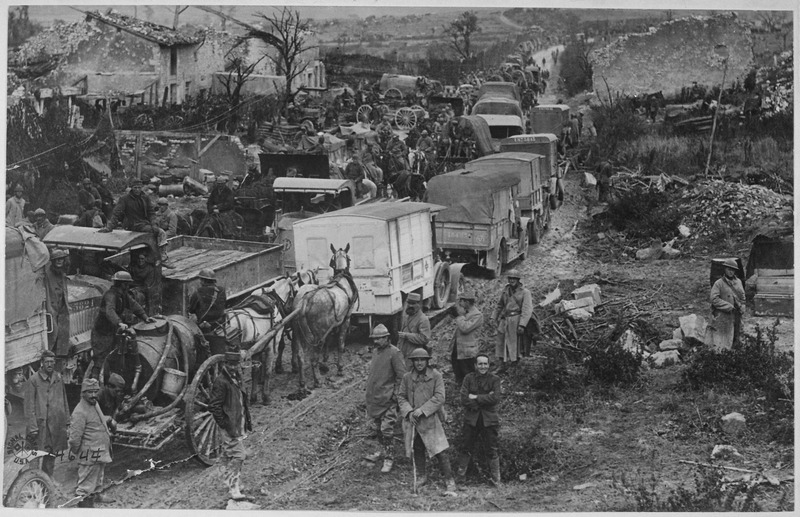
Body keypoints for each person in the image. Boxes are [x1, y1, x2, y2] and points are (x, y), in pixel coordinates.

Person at [398, 348, 456, 492]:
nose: (419, 363)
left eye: (422, 360)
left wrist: (422, 410)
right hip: (414, 421)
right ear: (412, 362)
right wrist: (409, 412)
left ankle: (449, 480)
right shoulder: (407, 378)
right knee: (418, 448)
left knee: (440, 450)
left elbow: (439, 397)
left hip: (430, 419)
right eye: (416, 360)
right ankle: (422, 477)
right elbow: (401, 397)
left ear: (427, 361)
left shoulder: (436, 376)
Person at [90, 271, 153, 380]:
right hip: (102, 334)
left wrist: (145, 317)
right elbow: (110, 310)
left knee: (116, 357)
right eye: (126, 284)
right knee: (100, 360)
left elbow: (134, 305)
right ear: (121, 284)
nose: (128, 286)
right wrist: (119, 322)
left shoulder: (123, 295)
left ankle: (110, 382)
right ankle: (94, 385)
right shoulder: (110, 295)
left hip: (113, 331)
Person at [209, 348, 253, 501]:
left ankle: (229, 481)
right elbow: (214, 405)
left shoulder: (236, 378)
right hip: (229, 426)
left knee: (228, 455)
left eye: (236, 364)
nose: (233, 367)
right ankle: (234, 489)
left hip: (237, 424)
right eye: (230, 364)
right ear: (225, 364)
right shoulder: (221, 382)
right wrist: (224, 424)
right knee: (239, 455)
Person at [100, 178, 173, 268]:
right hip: (133, 225)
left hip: (144, 223)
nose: (137, 190)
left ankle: (156, 258)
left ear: (141, 187)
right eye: (135, 188)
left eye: (139, 187)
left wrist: (154, 223)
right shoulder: (125, 199)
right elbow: (116, 213)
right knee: (161, 233)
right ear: (131, 188)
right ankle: (163, 258)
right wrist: (109, 228)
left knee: (157, 232)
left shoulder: (145, 197)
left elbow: (151, 212)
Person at [364, 324, 406, 474]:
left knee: (387, 430)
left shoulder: (395, 353)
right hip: (375, 398)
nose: (377, 341)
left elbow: (402, 376)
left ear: (387, 338)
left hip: (389, 399)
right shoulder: (376, 352)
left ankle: (389, 458)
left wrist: (395, 396)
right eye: (375, 338)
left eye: (380, 338)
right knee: (378, 429)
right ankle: (382, 451)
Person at [455, 354, 503, 486]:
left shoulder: (495, 379)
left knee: (492, 448)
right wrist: (485, 398)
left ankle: (496, 480)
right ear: (475, 365)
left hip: (489, 420)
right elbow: (464, 399)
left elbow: (495, 398)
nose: (483, 367)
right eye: (480, 364)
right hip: (472, 419)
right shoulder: (468, 378)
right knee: (466, 447)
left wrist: (475, 397)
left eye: (485, 364)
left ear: (488, 365)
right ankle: (460, 479)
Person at [68, 377, 115, 507]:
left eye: (95, 391)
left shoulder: (94, 404)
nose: (93, 395)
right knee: (85, 485)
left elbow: (96, 420)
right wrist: (82, 454)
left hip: (99, 451)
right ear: (82, 393)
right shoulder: (80, 412)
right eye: (89, 392)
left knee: (98, 477)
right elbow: (74, 439)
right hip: (89, 454)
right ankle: (85, 505)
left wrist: (109, 419)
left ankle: (97, 495)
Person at [23, 350, 69, 478]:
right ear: (42, 363)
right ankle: (32, 484)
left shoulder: (58, 378)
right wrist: (33, 427)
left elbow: (64, 400)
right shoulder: (33, 380)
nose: (50, 364)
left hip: (54, 426)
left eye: (52, 362)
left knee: (50, 457)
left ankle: (46, 482)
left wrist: (67, 422)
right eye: (47, 362)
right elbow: (29, 406)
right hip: (39, 427)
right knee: (35, 458)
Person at [492, 274, 533, 373]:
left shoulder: (525, 292)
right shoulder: (506, 290)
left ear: (518, 280)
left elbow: (527, 309)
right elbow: (499, 305)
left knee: (515, 343)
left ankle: (514, 364)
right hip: (505, 318)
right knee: (501, 341)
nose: (511, 280)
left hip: (516, 319)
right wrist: (493, 317)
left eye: (514, 278)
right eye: (510, 278)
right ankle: (502, 365)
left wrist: (522, 324)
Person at [705, 259, 746, 350]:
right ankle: (723, 354)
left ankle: (736, 353)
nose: (731, 272)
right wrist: (728, 306)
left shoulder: (738, 282)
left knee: (738, 334)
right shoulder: (719, 283)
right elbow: (714, 299)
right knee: (724, 337)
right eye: (729, 269)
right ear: (725, 269)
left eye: (733, 270)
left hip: (737, 314)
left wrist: (743, 305)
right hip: (724, 315)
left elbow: (743, 296)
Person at [188, 268, 227, 358]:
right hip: (219, 325)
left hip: (203, 327)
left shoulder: (197, 293)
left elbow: (191, 310)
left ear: (203, 281)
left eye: (201, 279)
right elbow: (224, 305)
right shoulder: (222, 290)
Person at [43, 248, 71, 365]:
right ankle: (48, 355)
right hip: (51, 307)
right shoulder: (47, 273)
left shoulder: (62, 273)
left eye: (61, 259)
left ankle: (59, 355)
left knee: (62, 331)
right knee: (52, 331)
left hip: (61, 306)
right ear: (52, 261)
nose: (59, 261)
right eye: (56, 259)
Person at [450, 291, 484, 385]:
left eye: (462, 301)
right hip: (459, 347)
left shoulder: (477, 315)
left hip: (468, 349)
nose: (460, 303)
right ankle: (461, 386)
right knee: (457, 367)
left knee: (468, 370)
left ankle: (472, 389)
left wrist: (459, 316)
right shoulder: (465, 313)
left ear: (467, 302)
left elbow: (465, 328)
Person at [397, 293, 431, 368]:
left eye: (413, 303)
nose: (410, 305)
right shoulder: (406, 317)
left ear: (419, 304)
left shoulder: (423, 319)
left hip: (415, 357)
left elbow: (425, 338)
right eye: (409, 303)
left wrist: (407, 335)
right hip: (403, 354)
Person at [129, 250, 161, 316]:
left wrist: (136, 289)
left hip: (143, 290)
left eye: (142, 259)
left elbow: (147, 285)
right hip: (131, 287)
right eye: (138, 258)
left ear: (146, 259)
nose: (140, 260)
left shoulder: (150, 269)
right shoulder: (133, 267)